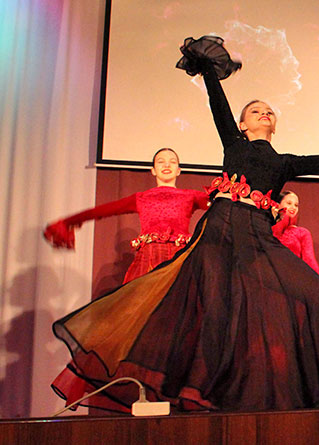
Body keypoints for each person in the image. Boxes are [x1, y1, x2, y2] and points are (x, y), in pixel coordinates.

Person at [51, 35, 319, 412]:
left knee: (317, 296)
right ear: (243, 125)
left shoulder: (284, 163)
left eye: (269, 111)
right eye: (255, 111)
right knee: (216, 312)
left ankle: (304, 385)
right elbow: (219, 104)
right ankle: (197, 392)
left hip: (258, 238)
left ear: (275, 126)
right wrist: (208, 69)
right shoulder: (235, 143)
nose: (264, 113)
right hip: (221, 228)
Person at [44, 148, 209, 411]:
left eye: (172, 161)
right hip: (147, 266)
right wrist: (70, 221)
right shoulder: (142, 198)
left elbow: (222, 205)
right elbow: (102, 210)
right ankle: (141, 393)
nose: (166, 165)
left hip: (177, 266)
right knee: (134, 328)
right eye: (160, 161)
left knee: (180, 328)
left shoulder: (190, 196)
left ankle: (176, 393)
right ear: (152, 170)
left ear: (180, 170)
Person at [271, 190, 319, 274]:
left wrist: (316, 279)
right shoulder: (266, 228)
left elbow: (309, 260)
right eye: (289, 203)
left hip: (294, 275)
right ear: (278, 204)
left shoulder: (302, 233)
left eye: (296, 205)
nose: (293, 207)